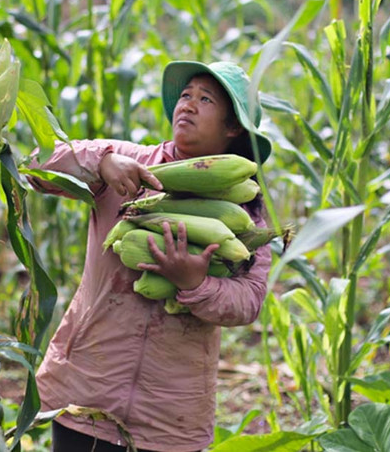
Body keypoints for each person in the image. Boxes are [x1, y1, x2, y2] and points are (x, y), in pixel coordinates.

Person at [27, 60, 273, 452]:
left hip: (171, 414)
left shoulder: (248, 213)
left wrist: (196, 284)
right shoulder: (126, 164)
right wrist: (101, 161)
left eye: (205, 99)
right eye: (186, 95)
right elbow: (36, 167)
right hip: (87, 389)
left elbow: (248, 302)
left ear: (233, 129)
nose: (187, 105)